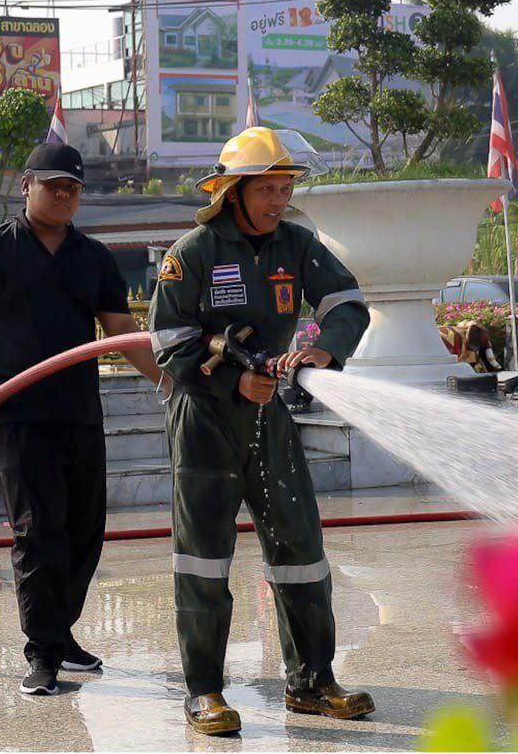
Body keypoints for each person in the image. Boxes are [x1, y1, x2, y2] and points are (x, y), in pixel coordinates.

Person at [149, 127, 374, 736]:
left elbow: (346, 302)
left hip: (269, 415)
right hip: (204, 420)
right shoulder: (193, 252)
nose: (279, 200)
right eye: (267, 188)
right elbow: (168, 340)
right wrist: (232, 381)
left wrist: (325, 350)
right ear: (235, 192)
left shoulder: (297, 246)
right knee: (204, 557)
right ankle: (205, 691)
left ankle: (312, 682)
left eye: (285, 188)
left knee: (300, 546)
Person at [0, 143, 165, 698]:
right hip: (20, 416)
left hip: (80, 413)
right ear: (27, 185)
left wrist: (167, 380)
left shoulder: (93, 257)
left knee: (85, 531)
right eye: (54, 185)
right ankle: (42, 653)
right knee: (38, 533)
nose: (64, 195)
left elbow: (120, 330)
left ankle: (60, 634)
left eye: (73, 188)